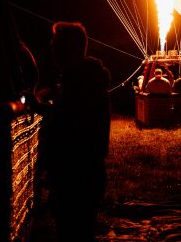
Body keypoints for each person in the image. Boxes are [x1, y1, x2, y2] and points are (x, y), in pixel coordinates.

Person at [36, 21, 111, 242]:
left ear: (68, 49)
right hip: (85, 174)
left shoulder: (80, 85)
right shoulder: (81, 80)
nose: (51, 48)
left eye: (56, 44)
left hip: (77, 176)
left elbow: (71, 126)